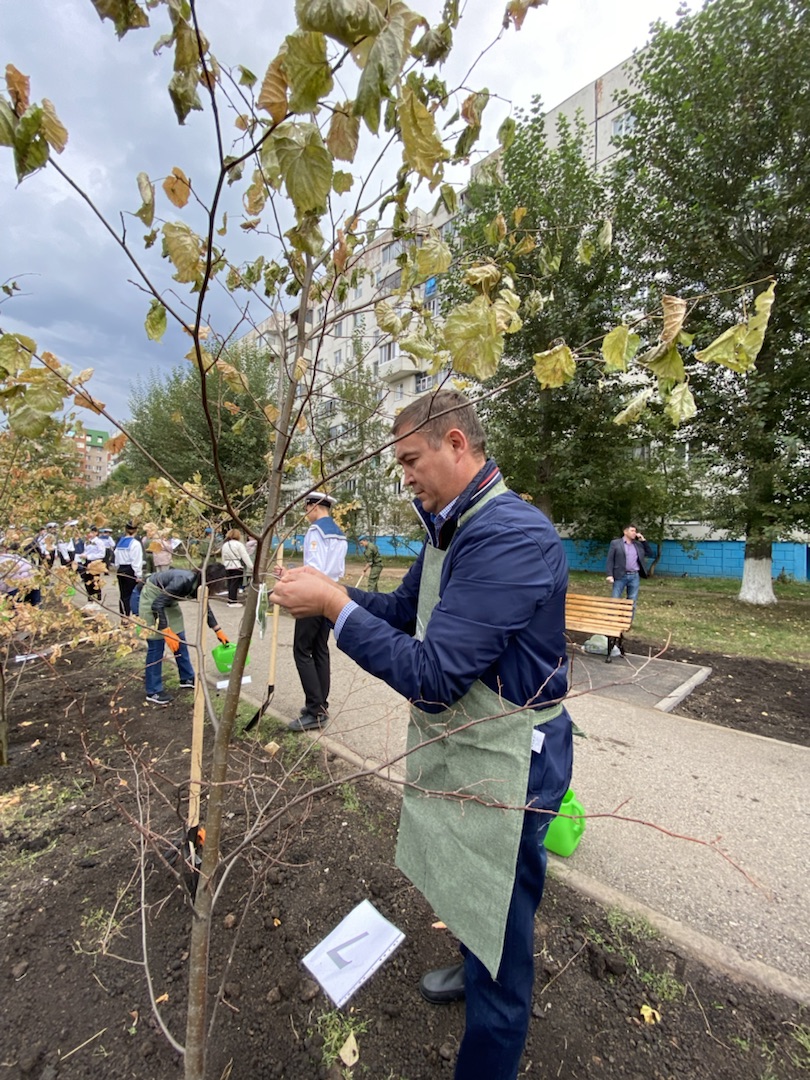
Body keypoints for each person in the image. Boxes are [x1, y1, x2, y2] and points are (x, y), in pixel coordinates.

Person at [269, 390, 573, 1080]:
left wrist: (336, 607)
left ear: (456, 444)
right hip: (475, 746)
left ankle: (490, 1023)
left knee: (503, 919)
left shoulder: (511, 536)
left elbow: (433, 676)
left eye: (411, 459)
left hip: (514, 760)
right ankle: (474, 964)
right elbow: (406, 612)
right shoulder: (452, 527)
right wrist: (329, 591)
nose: (404, 475)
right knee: (472, 884)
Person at [287, 491, 347, 732]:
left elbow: (314, 567)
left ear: (314, 507)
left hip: (313, 594)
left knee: (302, 650)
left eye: (306, 508)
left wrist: (294, 579)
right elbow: (336, 568)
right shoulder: (339, 533)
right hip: (331, 593)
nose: (305, 513)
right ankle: (321, 703)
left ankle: (315, 710)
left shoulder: (316, 531)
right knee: (320, 648)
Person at [139, 563, 229, 706]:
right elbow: (157, 605)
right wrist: (166, 630)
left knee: (180, 639)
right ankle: (153, 691)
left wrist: (217, 629)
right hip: (152, 598)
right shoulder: (184, 580)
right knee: (156, 646)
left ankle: (187, 678)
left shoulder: (200, 584)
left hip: (167, 600)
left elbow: (204, 605)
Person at [605, 523, 654, 616]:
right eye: (632, 531)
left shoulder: (638, 544)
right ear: (625, 532)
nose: (634, 533)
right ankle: (611, 621)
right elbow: (610, 559)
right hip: (620, 575)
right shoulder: (616, 543)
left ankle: (627, 622)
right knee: (615, 599)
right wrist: (609, 574)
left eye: (635, 531)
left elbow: (650, 553)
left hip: (634, 576)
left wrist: (643, 541)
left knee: (632, 600)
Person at [114, 522, 144, 617]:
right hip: (130, 569)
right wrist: (138, 574)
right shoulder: (135, 543)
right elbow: (136, 560)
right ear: (136, 530)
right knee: (133, 595)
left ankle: (124, 617)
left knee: (123, 595)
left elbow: (116, 557)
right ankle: (134, 616)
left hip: (121, 569)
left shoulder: (120, 542)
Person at [221, 528, 254, 607]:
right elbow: (245, 556)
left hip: (227, 565)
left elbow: (223, 556)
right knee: (234, 584)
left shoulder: (225, 544)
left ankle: (230, 600)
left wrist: (224, 564)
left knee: (230, 583)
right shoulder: (239, 545)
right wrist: (251, 566)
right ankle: (233, 601)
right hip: (236, 565)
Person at [79, 526, 107, 608]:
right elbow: (86, 551)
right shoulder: (87, 542)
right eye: (88, 533)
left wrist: (89, 556)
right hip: (87, 562)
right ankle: (90, 600)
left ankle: (96, 601)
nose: (89, 534)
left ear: (96, 533)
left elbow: (102, 554)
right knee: (87, 580)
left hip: (95, 562)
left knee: (95, 581)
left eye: (91, 532)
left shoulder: (99, 542)